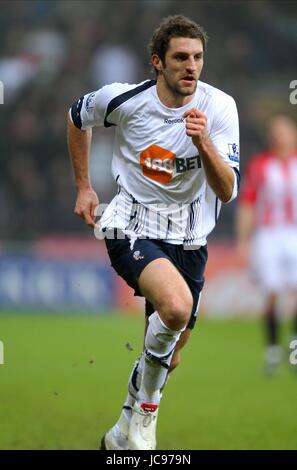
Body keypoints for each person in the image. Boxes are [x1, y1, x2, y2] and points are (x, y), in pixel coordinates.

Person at [67, 15, 240, 450]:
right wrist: (84, 187)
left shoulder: (220, 108)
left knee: (170, 353)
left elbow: (227, 190)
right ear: (157, 62)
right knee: (177, 307)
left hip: (190, 238)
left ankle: (120, 431)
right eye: (181, 57)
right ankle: (145, 419)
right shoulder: (125, 99)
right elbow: (76, 118)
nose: (192, 66)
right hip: (131, 223)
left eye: (198, 57)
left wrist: (203, 145)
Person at [237, 114, 297, 374]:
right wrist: (243, 239)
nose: (280, 136)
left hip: (295, 233)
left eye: (285, 131)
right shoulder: (260, 165)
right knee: (272, 292)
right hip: (269, 235)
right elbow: (248, 203)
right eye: (276, 131)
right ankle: (272, 350)